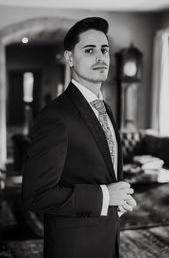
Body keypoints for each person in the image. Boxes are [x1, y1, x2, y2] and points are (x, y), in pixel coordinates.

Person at [22, 17, 136, 258]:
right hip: (74, 247)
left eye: (104, 50)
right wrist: (105, 195)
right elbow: (36, 195)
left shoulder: (105, 108)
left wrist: (118, 199)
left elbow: (104, 171)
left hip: (108, 237)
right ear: (70, 58)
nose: (100, 57)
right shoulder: (55, 116)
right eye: (89, 50)